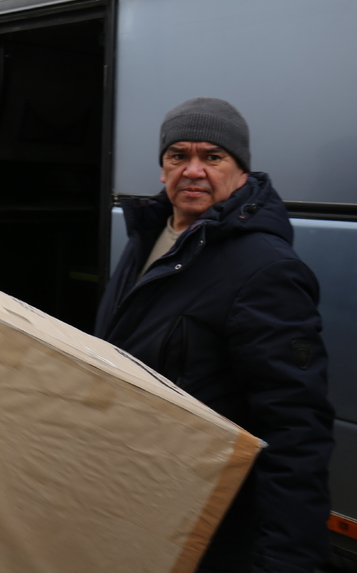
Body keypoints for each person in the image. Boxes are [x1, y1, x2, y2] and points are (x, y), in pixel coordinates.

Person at [95, 97, 333, 573]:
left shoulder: (267, 270)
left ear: (241, 171)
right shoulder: (151, 235)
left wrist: (285, 560)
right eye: (178, 156)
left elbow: (294, 431)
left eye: (213, 156)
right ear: (162, 168)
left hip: (205, 526)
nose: (193, 170)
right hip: (134, 501)